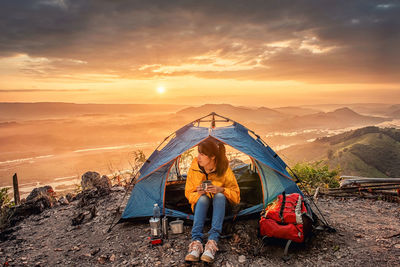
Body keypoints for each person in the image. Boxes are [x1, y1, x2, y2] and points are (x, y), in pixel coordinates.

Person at [184, 137, 240, 263]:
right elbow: (188, 194)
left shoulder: (224, 168)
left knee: (219, 196)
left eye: (202, 154)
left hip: (221, 208)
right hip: (202, 208)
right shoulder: (194, 168)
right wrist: (198, 193)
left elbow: (236, 196)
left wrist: (221, 190)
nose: (199, 157)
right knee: (203, 199)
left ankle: (212, 242)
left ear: (213, 157)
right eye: (198, 153)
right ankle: (196, 242)